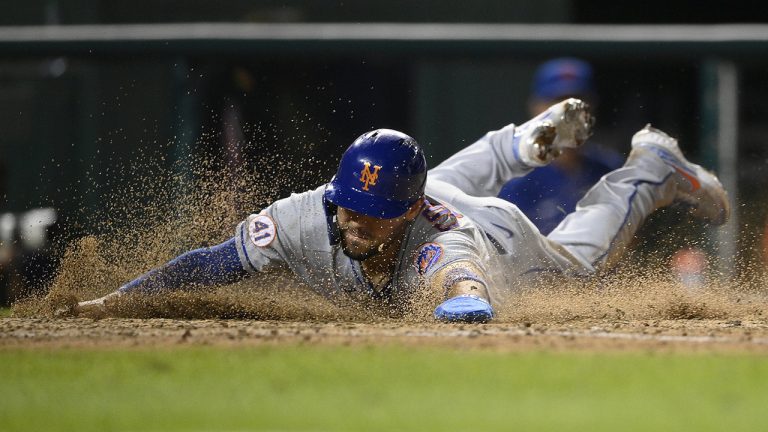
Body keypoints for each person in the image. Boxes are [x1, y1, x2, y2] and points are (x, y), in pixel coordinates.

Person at [75, 98, 729, 323]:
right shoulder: (311, 214)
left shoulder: (437, 243)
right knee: (427, 182)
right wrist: (120, 299)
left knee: (581, 264)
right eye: (347, 208)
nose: (352, 223)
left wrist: (467, 301)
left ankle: (650, 171)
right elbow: (214, 263)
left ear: (406, 215)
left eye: (371, 215)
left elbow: (460, 278)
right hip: (429, 193)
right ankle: (516, 144)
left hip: (493, 233)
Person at [498, 58, 623, 234]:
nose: (568, 113)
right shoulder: (513, 177)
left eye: (577, 102)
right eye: (558, 103)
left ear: (592, 107)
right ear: (537, 108)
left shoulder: (610, 169)